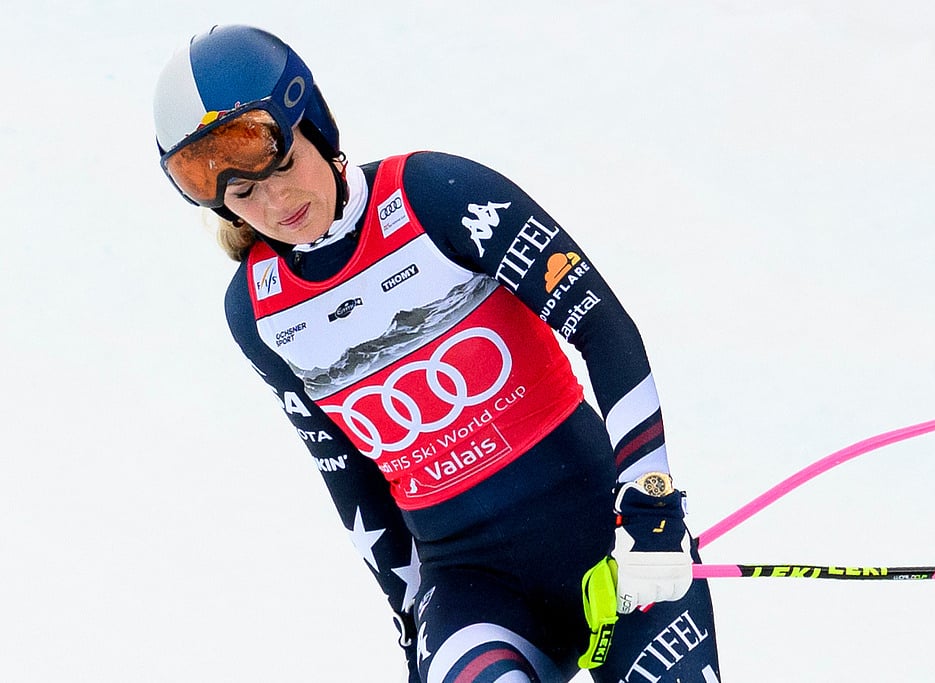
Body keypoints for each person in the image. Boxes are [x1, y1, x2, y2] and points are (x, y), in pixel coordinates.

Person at [153, 24, 721, 683]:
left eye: (281, 167)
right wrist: (411, 615)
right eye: (244, 195)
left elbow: (602, 326)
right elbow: (347, 474)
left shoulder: (433, 195)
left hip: (613, 537)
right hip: (472, 594)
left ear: (316, 126)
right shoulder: (257, 312)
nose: (277, 203)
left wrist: (649, 502)